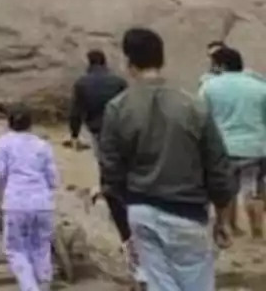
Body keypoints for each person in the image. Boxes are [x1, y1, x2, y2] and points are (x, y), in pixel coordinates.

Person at [98, 27, 236, 290]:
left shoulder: (118, 108)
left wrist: (124, 216)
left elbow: (111, 172)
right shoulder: (193, 106)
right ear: (162, 59)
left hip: (142, 212)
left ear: (129, 63)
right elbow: (218, 167)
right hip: (188, 213)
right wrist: (223, 217)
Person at [66, 50, 138, 285]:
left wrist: (74, 133)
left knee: (104, 159)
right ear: (105, 62)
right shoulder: (118, 81)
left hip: (97, 127)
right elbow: (130, 105)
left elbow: (76, 110)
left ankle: (109, 189)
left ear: (89, 62)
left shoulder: (82, 83)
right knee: (123, 160)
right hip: (121, 128)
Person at [0, 104, 59, 291]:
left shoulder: (3, 143)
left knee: (16, 250)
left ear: (9, 123)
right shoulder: (43, 145)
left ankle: (30, 287)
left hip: (16, 202)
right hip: (42, 204)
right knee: (41, 247)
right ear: (30, 124)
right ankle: (44, 284)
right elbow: (53, 179)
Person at [199, 45, 266, 240]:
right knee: (252, 189)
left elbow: (202, 117)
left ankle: (227, 227)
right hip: (255, 147)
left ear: (220, 65)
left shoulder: (209, 86)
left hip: (223, 147)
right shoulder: (260, 86)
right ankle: (257, 230)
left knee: (226, 190)